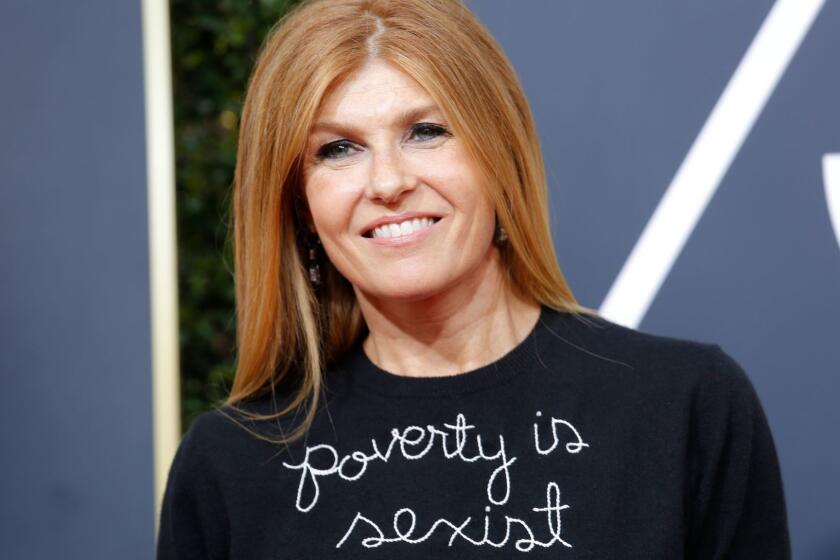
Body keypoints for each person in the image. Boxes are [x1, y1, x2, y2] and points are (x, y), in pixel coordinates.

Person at [156, 0, 791, 558]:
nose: (388, 182)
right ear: (300, 206)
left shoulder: (687, 407)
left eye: (426, 131)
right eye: (338, 149)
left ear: (500, 157)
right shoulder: (231, 464)